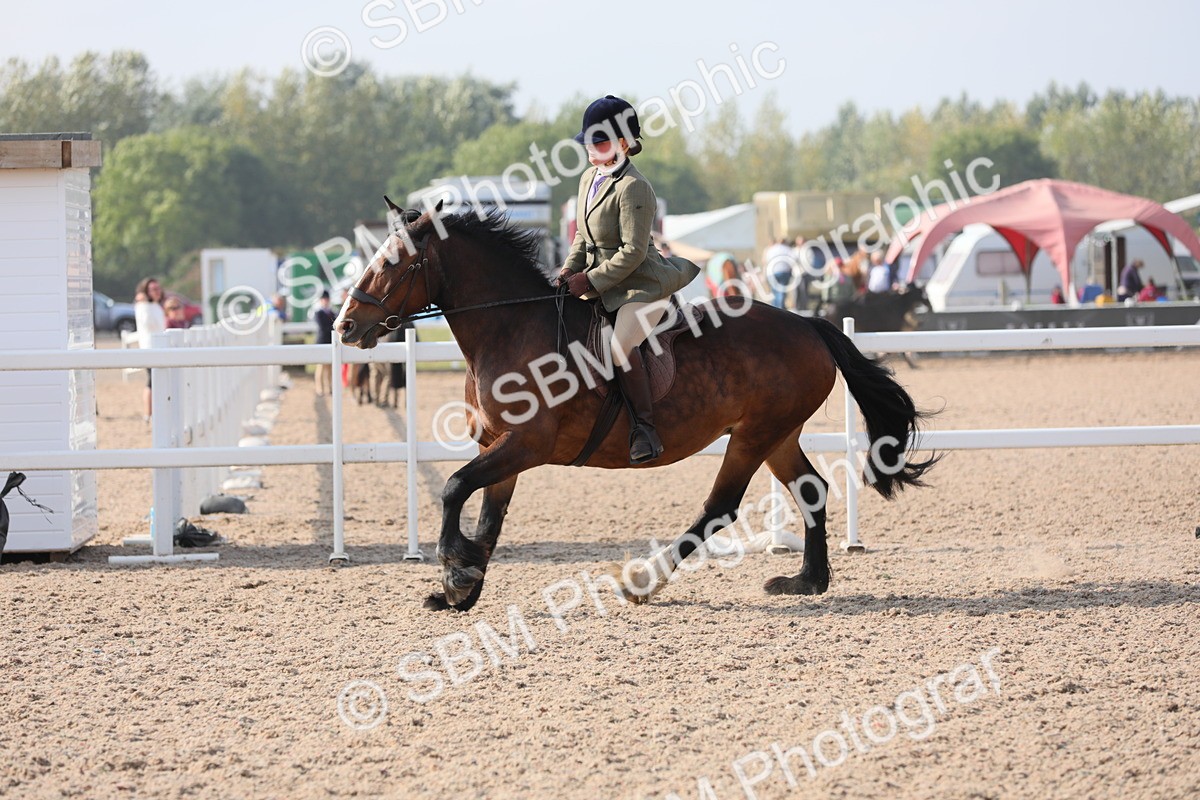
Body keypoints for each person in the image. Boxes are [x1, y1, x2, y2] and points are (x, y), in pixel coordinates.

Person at [557, 95, 700, 465]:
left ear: (624, 143)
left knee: (620, 347)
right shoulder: (589, 177)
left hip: (641, 285)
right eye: (589, 141)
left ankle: (645, 429)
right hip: (600, 281)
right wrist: (568, 270)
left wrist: (589, 281)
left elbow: (633, 253)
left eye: (601, 142)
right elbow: (581, 237)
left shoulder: (634, 187)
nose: (592, 149)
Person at [133, 277, 166, 423]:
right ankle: (148, 413)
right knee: (151, 382)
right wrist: (144, 302)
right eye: (153, 289)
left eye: (158, 289)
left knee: (156, 381)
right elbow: (149, 324)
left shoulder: (157, 306)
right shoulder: (143, 306)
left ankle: (154, 412)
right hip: (149, 347)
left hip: (159, 347)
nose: (157, 292)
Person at [313, 290, 336, 397]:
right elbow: (323, 327)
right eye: (324, 299)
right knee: (321, 366)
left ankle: (329, 387)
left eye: (327, 299)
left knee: (329, 367)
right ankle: (319, 388)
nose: (325, 301)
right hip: (322, 341)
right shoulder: (319, 313)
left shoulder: (332, 312)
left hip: (330, 341)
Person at [763, 237, 795, 308]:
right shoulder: (787, 249)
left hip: (772, 273)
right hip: (784, 272)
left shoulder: (771, 249)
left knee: (774, 292)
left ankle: (775, 308)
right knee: (781, 291)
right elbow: (793, 260)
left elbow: (766, 261)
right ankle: (780, 308)